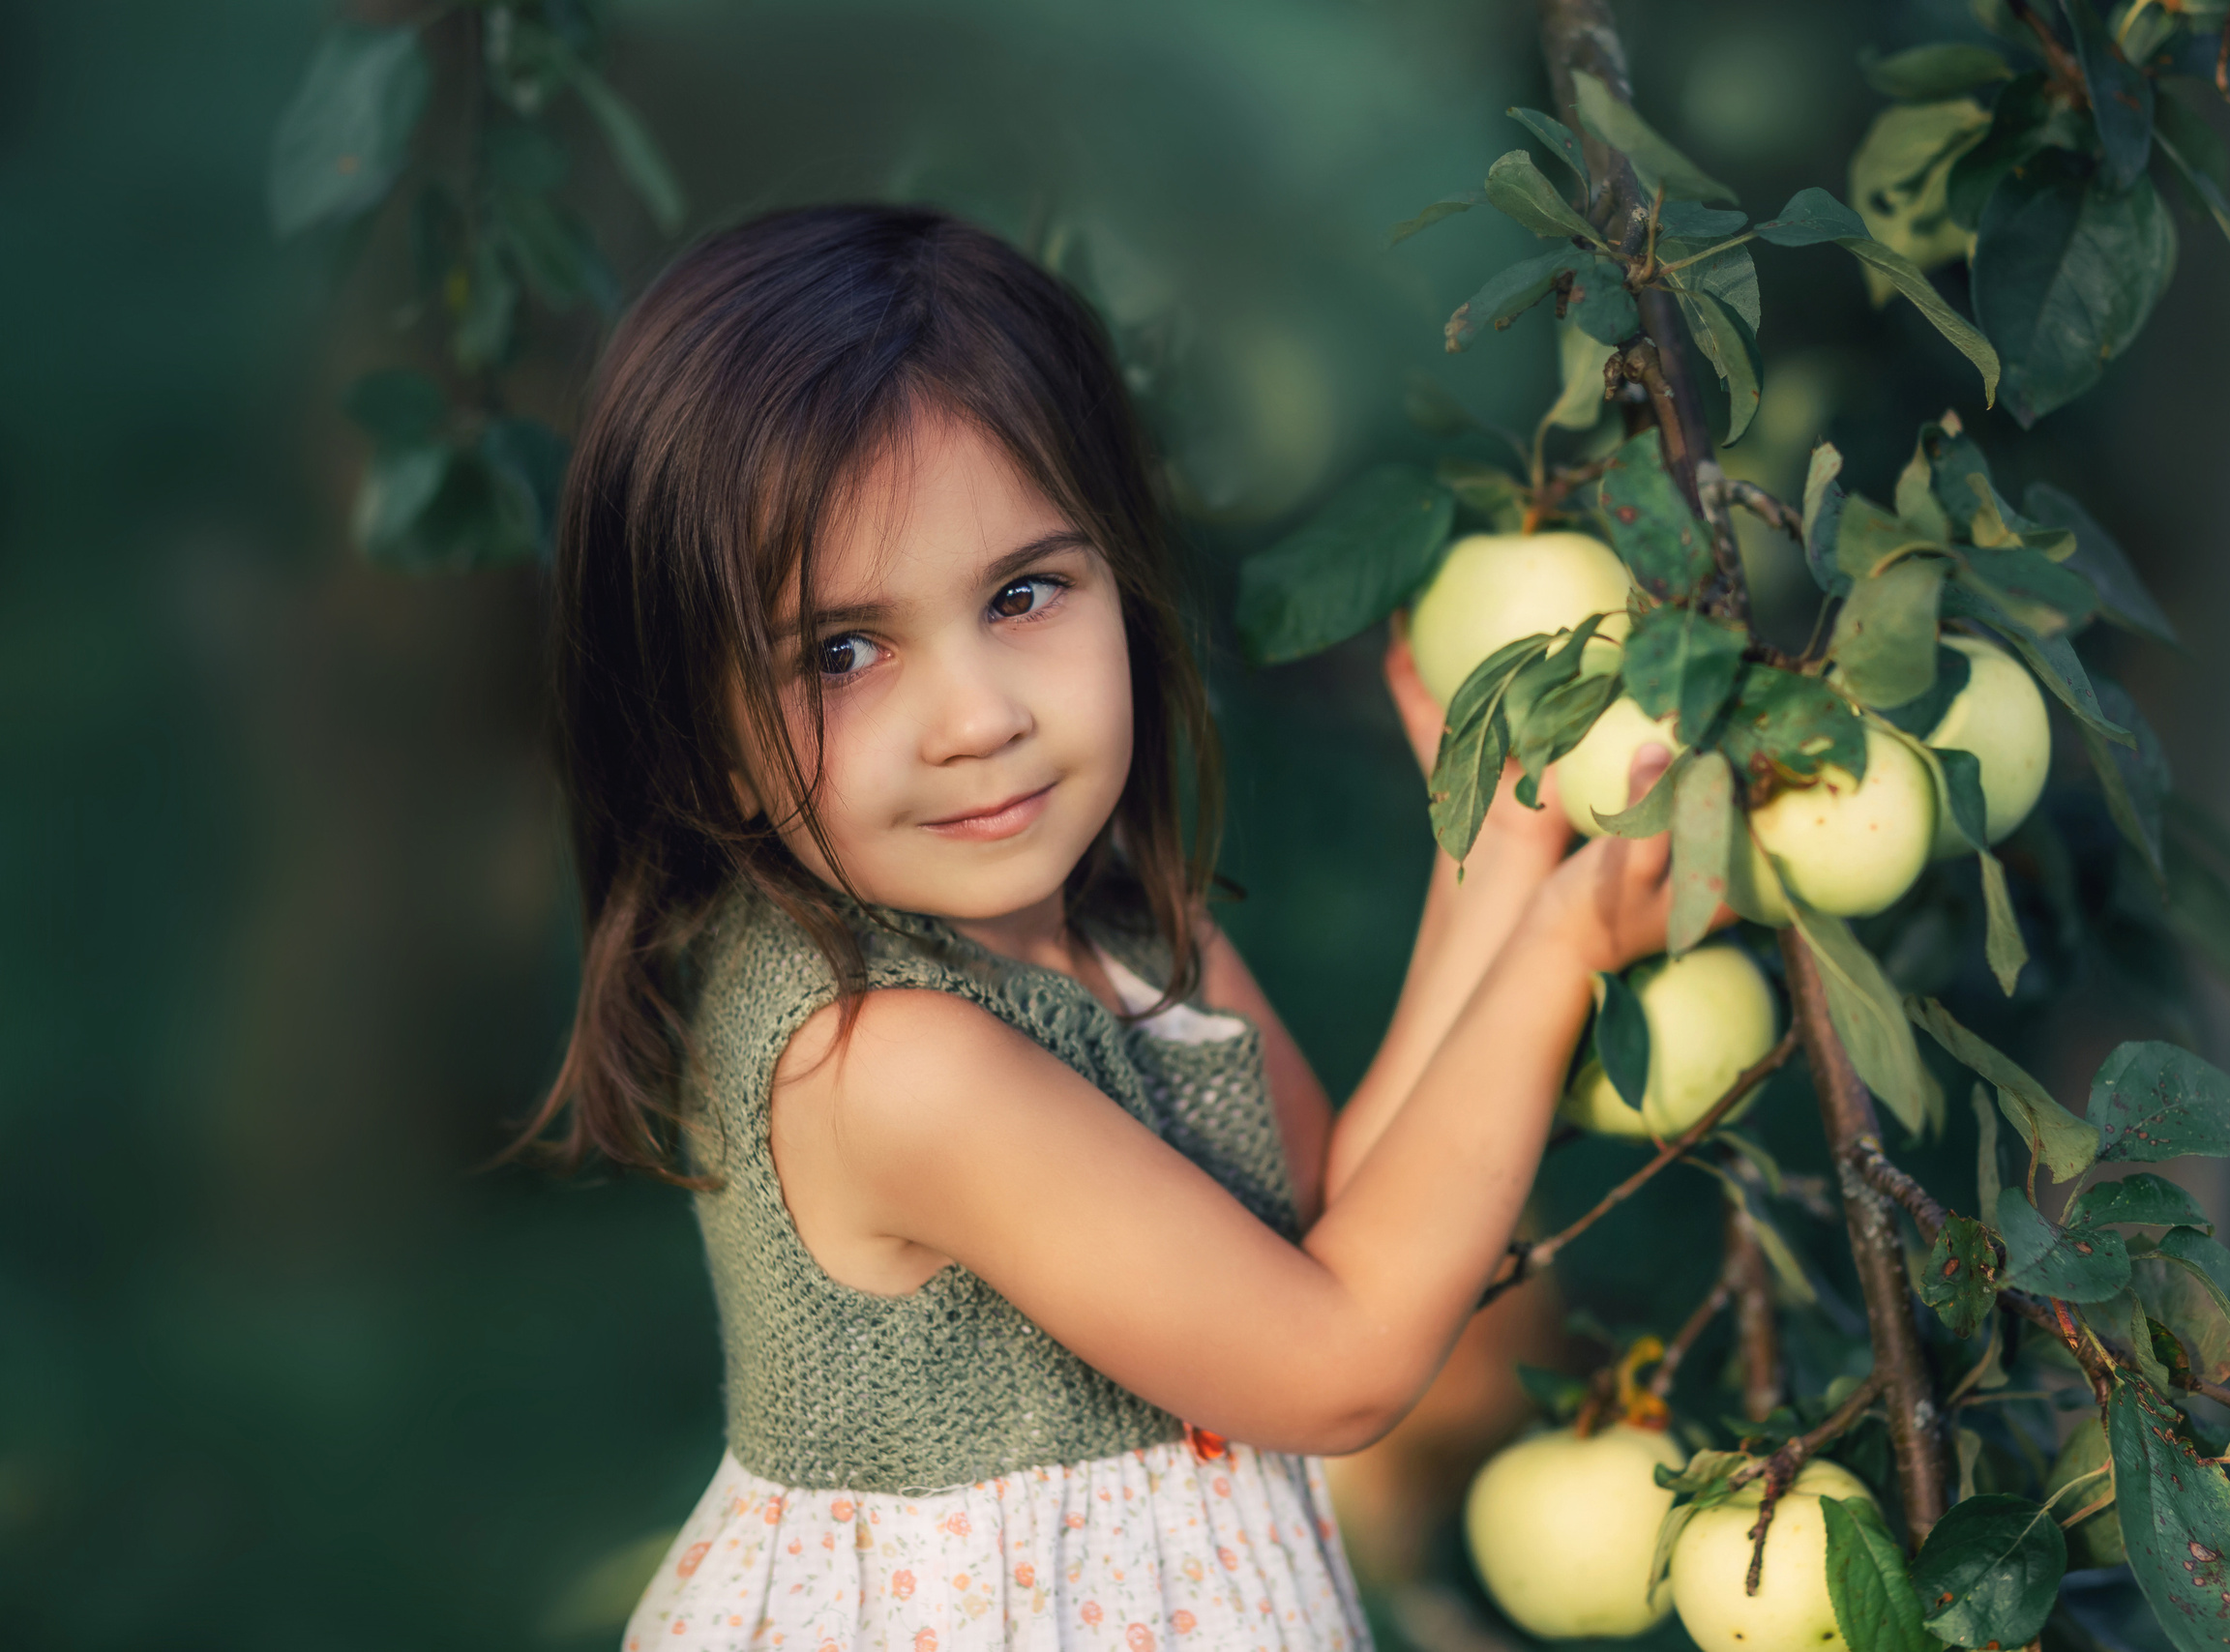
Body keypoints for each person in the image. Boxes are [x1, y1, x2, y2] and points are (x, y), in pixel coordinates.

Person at [517, 202, 1680, 1652]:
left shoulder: (1126, 927)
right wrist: (1559, 961)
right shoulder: (888, 1065)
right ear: (707, 738)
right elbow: (1340, 1365)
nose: (979, 717)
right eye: (844, 652)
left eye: (1023, 594)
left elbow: (1328, 1234)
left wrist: (1498, 856)